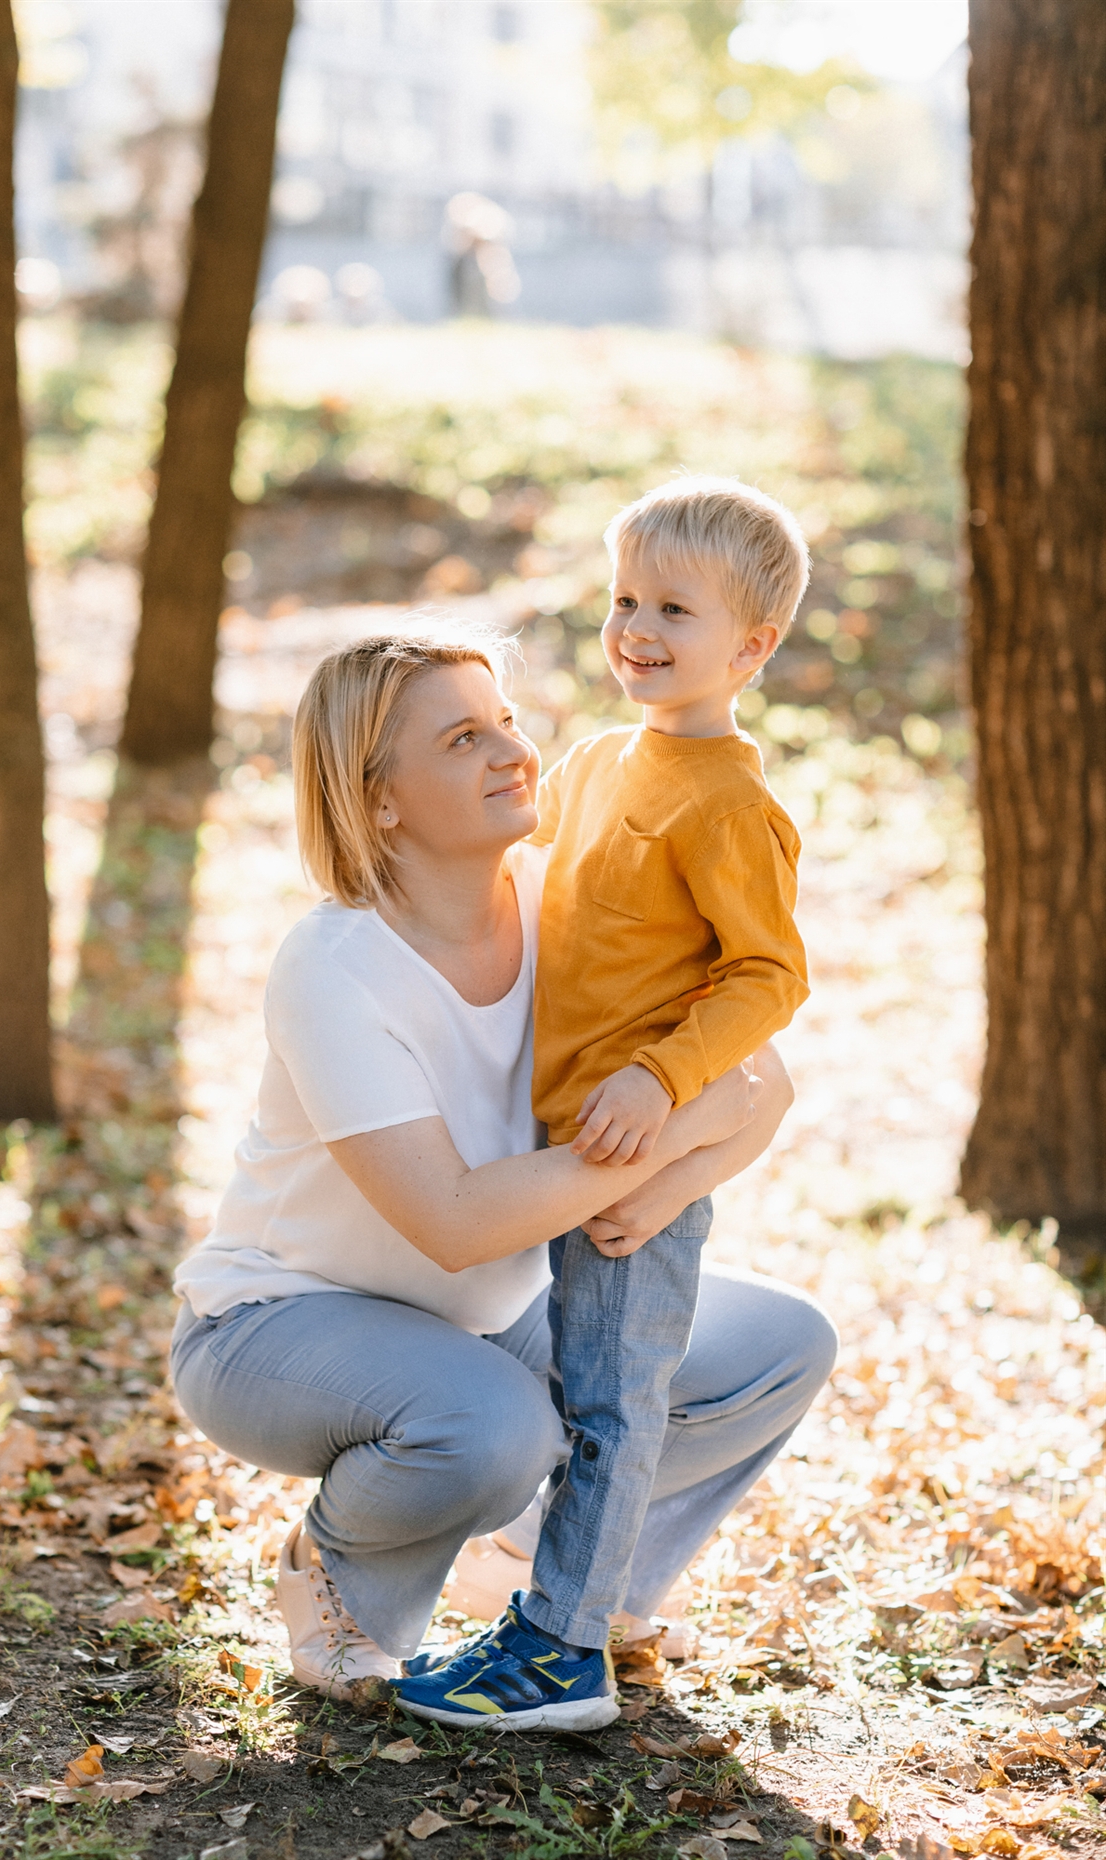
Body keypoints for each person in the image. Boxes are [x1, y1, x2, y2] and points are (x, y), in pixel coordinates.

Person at [170, 629, 836, 1732]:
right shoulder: (336, 966)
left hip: (489, 1319)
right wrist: (668, 1138)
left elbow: (757, 1083)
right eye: (462, 737)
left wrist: (667, 1175)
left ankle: (569, 1584)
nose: (512, 752)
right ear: (378, 800)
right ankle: (341, 1575)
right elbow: (455, 1220)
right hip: (278, 1325)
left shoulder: (567, 898)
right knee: (496, 1428)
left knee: (775, 1350)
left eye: (508, 721)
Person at [395, 480, 813, 1727]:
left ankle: (562, 1652)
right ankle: (538, 1606)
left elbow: (768, 976)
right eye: (624, 599)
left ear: (750, 647)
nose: (635, 626)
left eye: (674, 609)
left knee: (612, 1404)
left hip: (629, 1145)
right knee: (560, 1384)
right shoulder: (590, 763)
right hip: (547, 1143)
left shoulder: (729, 803)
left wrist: (659, 1083)